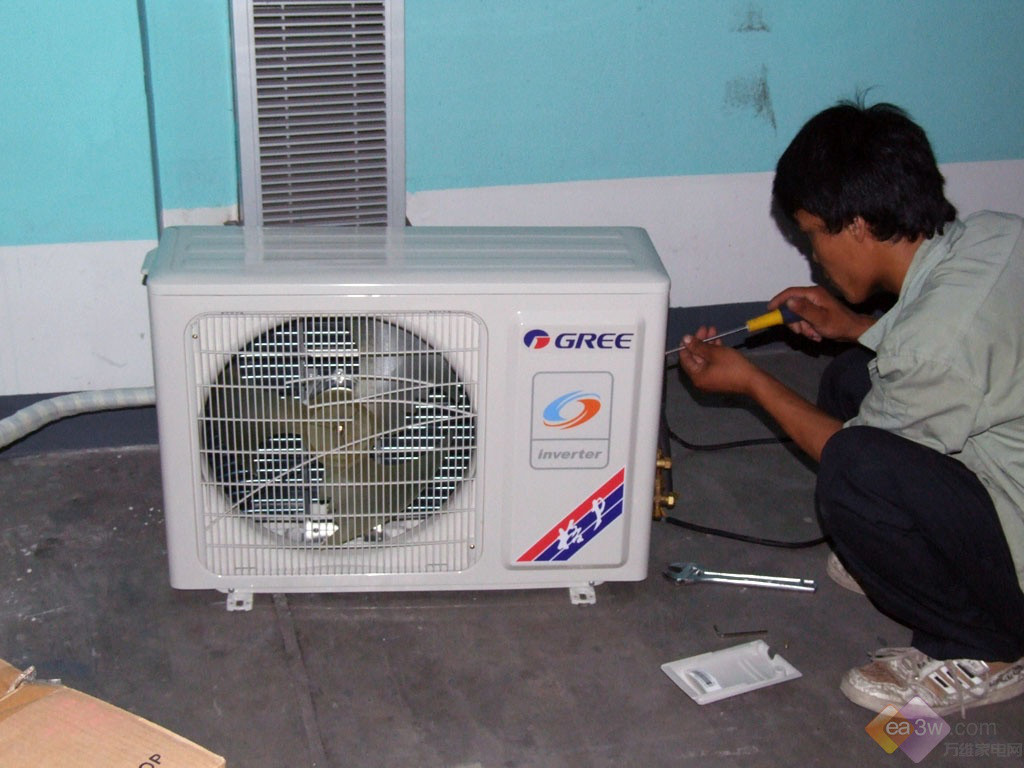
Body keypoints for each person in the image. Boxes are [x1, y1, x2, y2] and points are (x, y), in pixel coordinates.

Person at [677, 98, 1024, 717]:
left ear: (858, 226)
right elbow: (956, 357)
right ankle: (927, 568)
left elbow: (852, 449)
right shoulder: (998, 233)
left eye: (814, 234)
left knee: (855, 474)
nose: (814, 257)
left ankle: (985, 645)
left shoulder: (932, 346)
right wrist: (858, 326)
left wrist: (753, 382)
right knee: (852, 375)